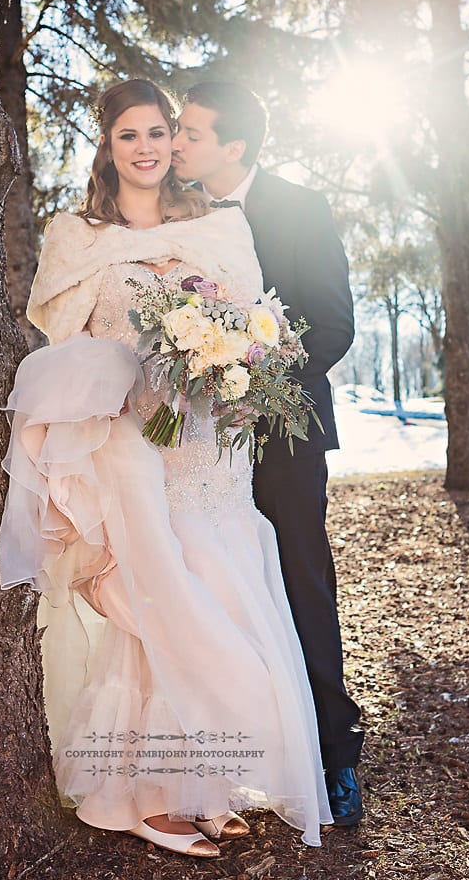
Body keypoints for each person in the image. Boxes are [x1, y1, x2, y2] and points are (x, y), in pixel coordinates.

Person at [0, 78, 332, 858]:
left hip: (209, 446)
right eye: (129, 136)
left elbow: (257, 328)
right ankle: (146, 792)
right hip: (130, 440)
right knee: (153, 599)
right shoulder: (75, 236)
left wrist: (227, 361)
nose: (147, 149)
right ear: (106, 146)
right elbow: (64, 349)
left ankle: (205, 784)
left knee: (216, 585)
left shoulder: (219, 223)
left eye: (158, 133)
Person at [172, 81, 364, 825]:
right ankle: (232, 756)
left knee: (301, 582)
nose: (176, 142)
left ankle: (335, 756)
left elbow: (334, 323)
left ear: (234, 148)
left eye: (191, 132)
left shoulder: (299, 207)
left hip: (284, 434)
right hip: (192, 440)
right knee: (212, 585)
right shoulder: (177, 211)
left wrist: (257, 378)